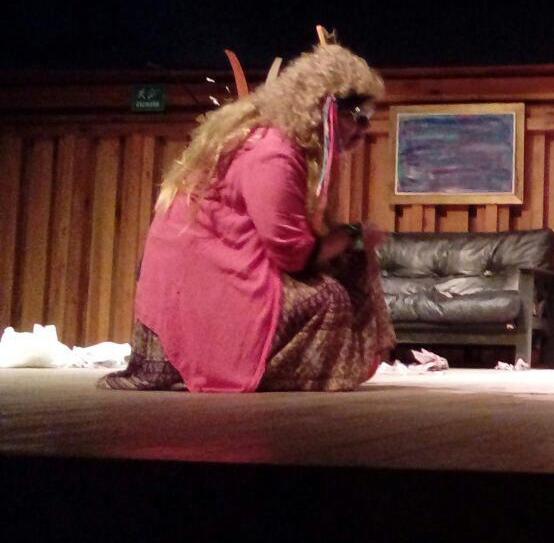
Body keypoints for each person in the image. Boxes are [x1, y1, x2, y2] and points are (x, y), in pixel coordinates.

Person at [99, 42, 395, 392]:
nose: (363, 130)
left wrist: (348, 239)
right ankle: (261, 368)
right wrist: (352, 236)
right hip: (208, 279)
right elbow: (292, 254)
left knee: (351, 260)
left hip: (222, 267)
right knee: (330, 298)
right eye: (357, 117)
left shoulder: (280, 144)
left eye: (367, 119)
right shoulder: (273, 152)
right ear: (324, 110)